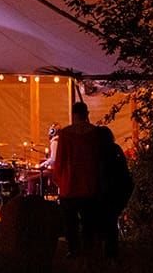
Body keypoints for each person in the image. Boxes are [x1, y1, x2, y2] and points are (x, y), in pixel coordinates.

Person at [46, 100, 120, 258]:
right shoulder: (94, 133)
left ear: (73, 115)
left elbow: (60, 160)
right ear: (86, 114)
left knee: (70, 222)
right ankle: (88, 248)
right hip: (89, 185)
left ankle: (73, 250)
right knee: (88, 221)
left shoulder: (65, 134)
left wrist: (59, 180)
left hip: (70, 186)